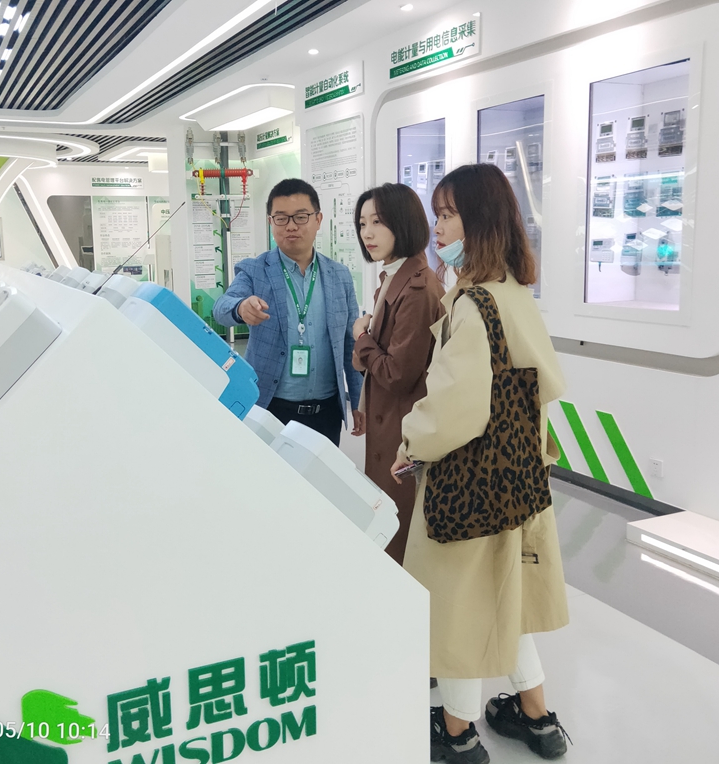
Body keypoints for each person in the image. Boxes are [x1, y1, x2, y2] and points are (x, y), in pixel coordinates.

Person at [390, 164, 570, 763]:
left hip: (468, 485)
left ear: (480, 221)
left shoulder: (473, 305)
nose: (437, 228)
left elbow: (455, 410)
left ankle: (458, 733)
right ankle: (537, 719)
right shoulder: (515, 292)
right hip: (517, 479)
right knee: (506, 600)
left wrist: (410, 442)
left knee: (458, 608)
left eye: (447, 215)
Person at [213, 178, 363, 446]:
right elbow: (221, 308)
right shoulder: (255, 270)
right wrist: (241, 307)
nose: (291, 226)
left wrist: (359, 400)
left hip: (326, 412)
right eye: (281, 218)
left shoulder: (339, 276)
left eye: (301, 217)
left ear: (318, 220)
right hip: (270, 409)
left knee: (321, 474)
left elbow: (351, 343)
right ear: (271, 222)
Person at [351, 183, 445, 565]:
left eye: (378, 222)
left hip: (402, 428)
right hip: (389, 422)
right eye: (362, 223)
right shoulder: (393, 276)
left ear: (403, 223)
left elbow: (397, 373)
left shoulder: (418, 287)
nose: (367, 233)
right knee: (387, 525)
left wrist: (361, 339)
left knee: (399, 534)